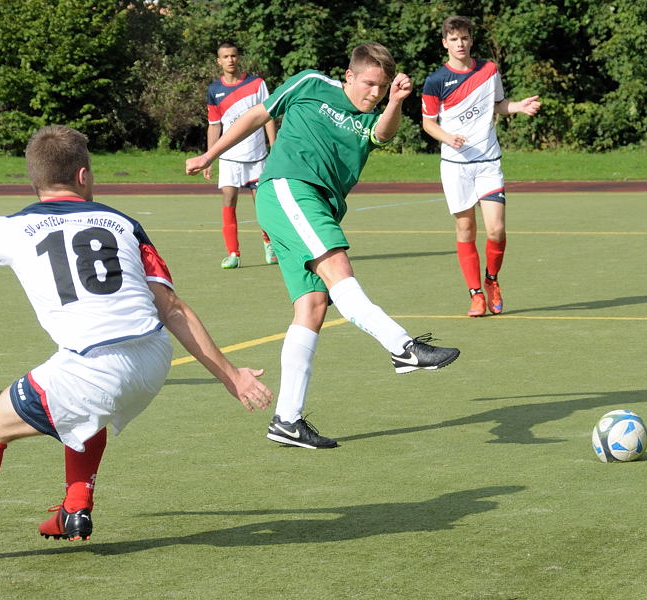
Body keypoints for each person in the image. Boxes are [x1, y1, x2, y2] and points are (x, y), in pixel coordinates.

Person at [0, 125, 272, 541]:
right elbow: (173, 308)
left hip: (92, 365)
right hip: (153, 358)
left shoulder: (10, 228)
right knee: (86, 410)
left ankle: (75, 502)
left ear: (35, 181)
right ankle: (75, 507)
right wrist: (234, 376)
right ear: (84, 176)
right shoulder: (123, 223)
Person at [186, 42, 461, 450]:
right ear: (350, 75)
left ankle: (287, 420)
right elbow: (257, 115)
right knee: (339, 271)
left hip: (317, 206)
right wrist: (211, 153)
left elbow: (383, 134)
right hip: (289, 189)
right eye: (369, 84)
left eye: (382, 88)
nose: (374, 93)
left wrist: (396, 102)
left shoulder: (371, 117)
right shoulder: (310, 82)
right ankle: (403, 347)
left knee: (312, 307)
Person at [420, 16, 541, 317]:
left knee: (496, 229)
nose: (460, 43)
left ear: (471, 40)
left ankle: (492, 281)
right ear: (444, 43)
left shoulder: (489, 70)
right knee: (465, 227)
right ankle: (475, 294)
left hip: (488, 161)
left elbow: (498, 104)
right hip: (455, 165)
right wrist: (448, 138)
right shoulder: (435, 81)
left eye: (464, 38)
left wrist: (518, 107)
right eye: (454, 39)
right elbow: (428, 123)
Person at [205, 42, 278, 269]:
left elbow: (268, 116)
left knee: (263, 203)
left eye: (234, 55)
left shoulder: (257, 84)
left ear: (239, 58)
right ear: (219, 61)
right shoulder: (214, 90)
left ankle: (270, 245)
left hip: (257, 156)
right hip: (228, 158)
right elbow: (214, 126)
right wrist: (209, 157)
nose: (230, 60)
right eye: (225, 57)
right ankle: (233, 254)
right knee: (229, 201)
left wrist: (274, 147)